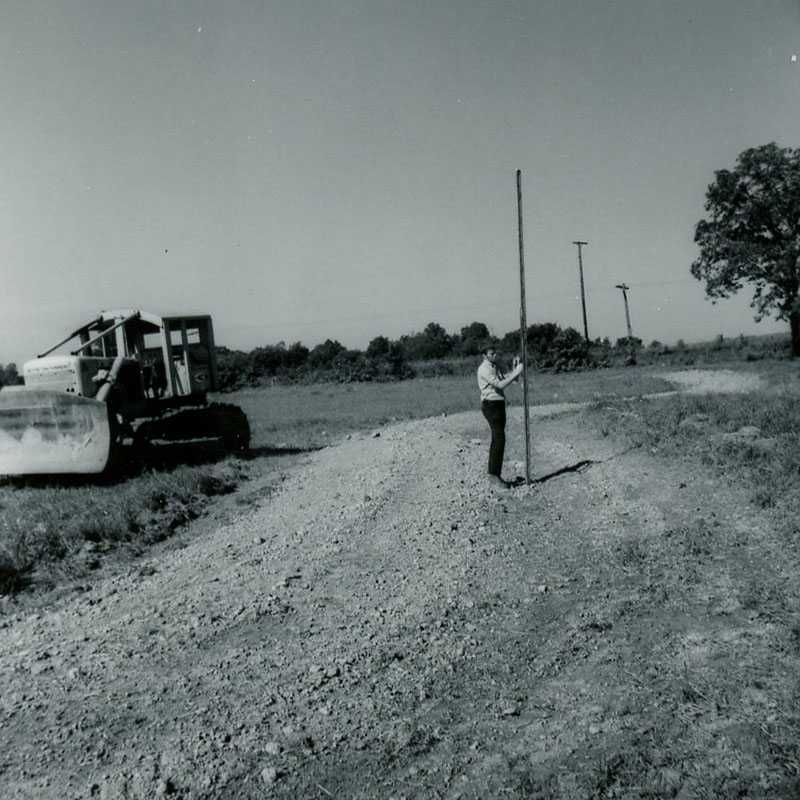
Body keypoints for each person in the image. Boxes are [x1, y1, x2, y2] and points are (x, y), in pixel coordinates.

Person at [477, 347, 524, 488]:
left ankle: (494, 474)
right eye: (491, 354)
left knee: (498, 439)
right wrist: (517, 372)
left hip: (498, 404)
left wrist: (514, 368)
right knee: (499, 438)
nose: (495, 355)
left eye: (495, 353)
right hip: (490, 405)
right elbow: (500, 384)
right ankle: (494, 476)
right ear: (484, 355)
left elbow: (511, 381)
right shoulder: (484, 369)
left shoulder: (494, 367)